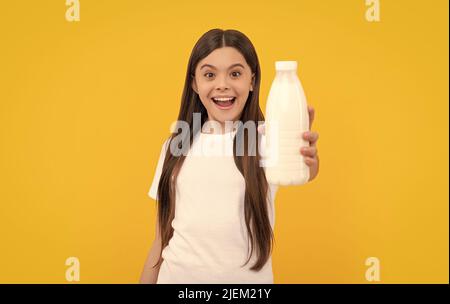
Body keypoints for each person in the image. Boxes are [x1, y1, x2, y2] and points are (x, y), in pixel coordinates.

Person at [139, 28, 319, 284]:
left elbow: (304, 170)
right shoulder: (175, 146)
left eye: (235, 73)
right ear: (194, 82)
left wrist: (306, 154)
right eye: (209, 74)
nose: (222, 84)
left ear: (252, 80)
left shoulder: (265, 141)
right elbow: (161, 238)